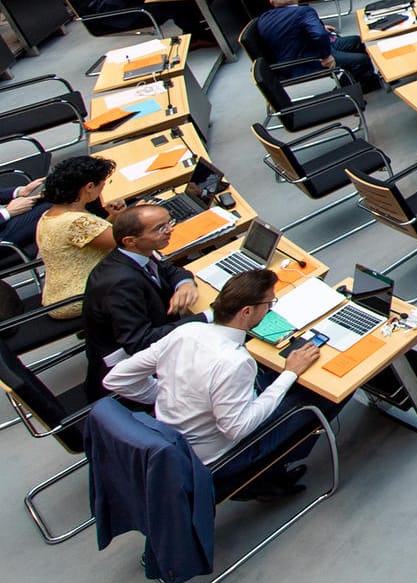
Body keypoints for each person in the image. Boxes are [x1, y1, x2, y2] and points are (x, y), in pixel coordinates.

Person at [102, 269, 339, 498]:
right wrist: (290, 373)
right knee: (322, 396)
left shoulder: (187, 332)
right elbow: (237, 429)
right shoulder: (235, 362)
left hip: (176, 438)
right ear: (246, 312)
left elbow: (117, 377)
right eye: (269, 304)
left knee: (274, 384)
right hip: (220, 460)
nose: (270, 309)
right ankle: (266, 477)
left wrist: (166, 393)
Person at [80, 205, 202, 399]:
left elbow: (168, 270)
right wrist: (205, 318)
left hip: (149, 340)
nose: (170, 230)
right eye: (160, 228)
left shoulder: (134, 254)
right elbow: (140, 342)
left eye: (169, 223)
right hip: (130, 379)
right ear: (130, 241)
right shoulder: (121, 283)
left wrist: (185, 283)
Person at [34, 157, 119, 319]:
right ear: (89, 187)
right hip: (79, 297)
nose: (103, 189)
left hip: (57, 297)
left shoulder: (51, 214)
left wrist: (114, 217)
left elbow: (91, 237)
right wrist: (139, 215)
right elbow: (126, 241)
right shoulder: (77, 222)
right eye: (102, 184)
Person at [256, 0, 378, 91]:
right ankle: (342, 91)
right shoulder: (304, 11)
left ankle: (368, 80)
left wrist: (318, 29)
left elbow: (285, 31)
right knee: (361, 60)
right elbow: (319, 35)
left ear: (271, 3)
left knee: (355, 41)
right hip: (304, 61)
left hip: (292, 54)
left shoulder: (263, 17)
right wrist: (327, 56)